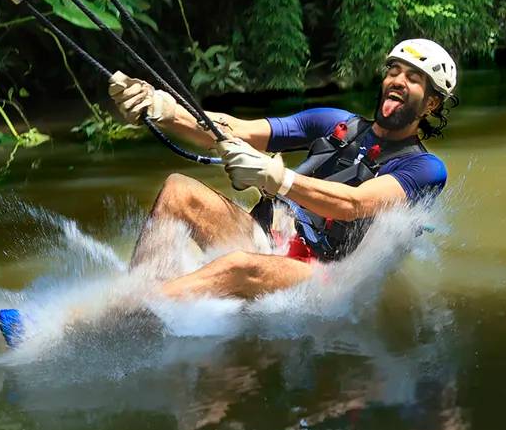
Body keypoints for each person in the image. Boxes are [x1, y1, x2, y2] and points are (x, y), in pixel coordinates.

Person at [107, 38, 456, 304]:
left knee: (239, 266)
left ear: (430, 103)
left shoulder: (424, 168)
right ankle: (144, 293)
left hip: (322, 273)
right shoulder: (334, 123)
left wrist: (278, 178)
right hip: (266, 235)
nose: (397, 80)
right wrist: (164, 109)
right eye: (393, 71)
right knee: (178, 190)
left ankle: (133, 310)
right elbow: (235, 129)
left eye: (412, 78)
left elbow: (355, 203)